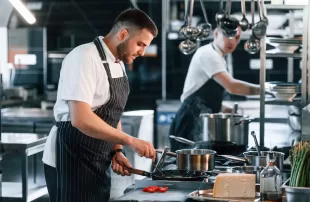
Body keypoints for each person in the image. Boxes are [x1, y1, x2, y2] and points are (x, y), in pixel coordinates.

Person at [42, 8, 158, 202]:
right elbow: (81, 119)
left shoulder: (118, 62)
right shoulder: (84, 57)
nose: (142, 52)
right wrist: (131, 140)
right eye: (140, 44)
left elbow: (113, 113)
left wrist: (117, 149)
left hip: (98, 159)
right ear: (123, 34)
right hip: (71, 157)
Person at [169, 26, 267, 152]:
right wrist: (265, 90)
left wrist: (223, 109)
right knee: (186, 168)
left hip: (199, 123)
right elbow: (232, 86)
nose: (232, 41)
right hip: (188, 123)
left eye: (236, 37)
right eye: (228, 35)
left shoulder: (218, 57)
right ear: (216, 33)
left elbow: (205, 98)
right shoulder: (208, 54)